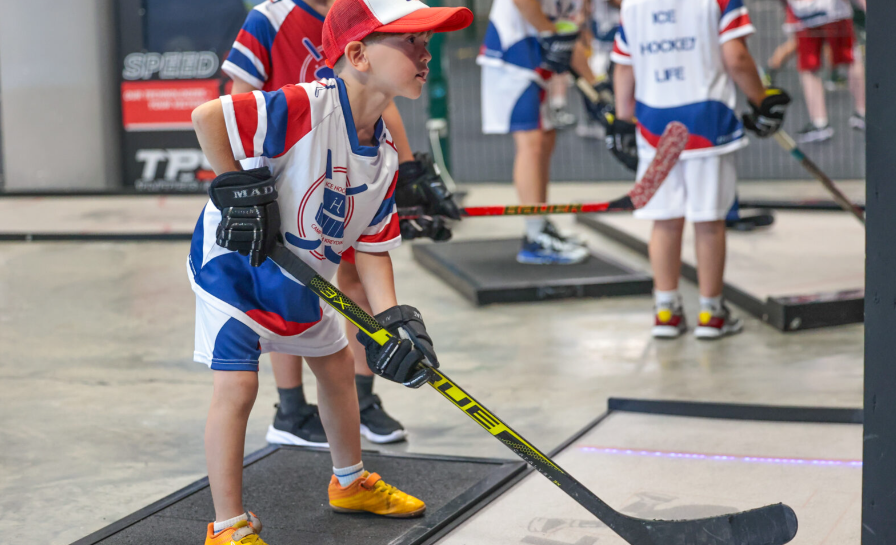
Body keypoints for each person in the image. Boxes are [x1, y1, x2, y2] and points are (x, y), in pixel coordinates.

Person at [189, 0, 473, 542]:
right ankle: (227, 526)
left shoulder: (385, 154)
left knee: (339, 370)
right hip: (236, 269)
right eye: (410, 41)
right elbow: (208, 118)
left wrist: (391, 317)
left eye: (427, 43)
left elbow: (373, 245)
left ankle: (349, 482)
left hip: (303, 274)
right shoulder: (305, 106)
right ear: (358, 54)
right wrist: (237, 191)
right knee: (239, 387)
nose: (425, 53)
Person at [220, 0, 460, 447]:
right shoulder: (272, 18)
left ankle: (363, 397)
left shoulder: (369, 12)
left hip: (350, 161)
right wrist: (245, 184)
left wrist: (406, 172)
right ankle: (291, 408)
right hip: (292, 170)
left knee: (356, 276)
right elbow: (235, 101)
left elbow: (379, 101)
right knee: (280, 285)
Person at [609, 0, 791, 339]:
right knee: (709, 221)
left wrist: (622, 121)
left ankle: (665, 311)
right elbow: (735, 56)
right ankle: (711, 314)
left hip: (654, 126)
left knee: (664, 222)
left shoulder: (633, 3)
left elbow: (623, 66)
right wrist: (761, 101)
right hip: (708, 124)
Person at [478, 0, 598, 265]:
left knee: (545, 138)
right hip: (514, 55)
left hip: (537, 58)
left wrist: (598, 85)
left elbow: (569, 34)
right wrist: (548, 32)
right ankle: (535, 237)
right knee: (531, 142)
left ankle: (540, 224)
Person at [784, 0, 865, 142]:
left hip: (807, 12)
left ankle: (820, 122)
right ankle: (862, 112)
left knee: (810, 68)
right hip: (829, 11)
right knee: (851, 59)